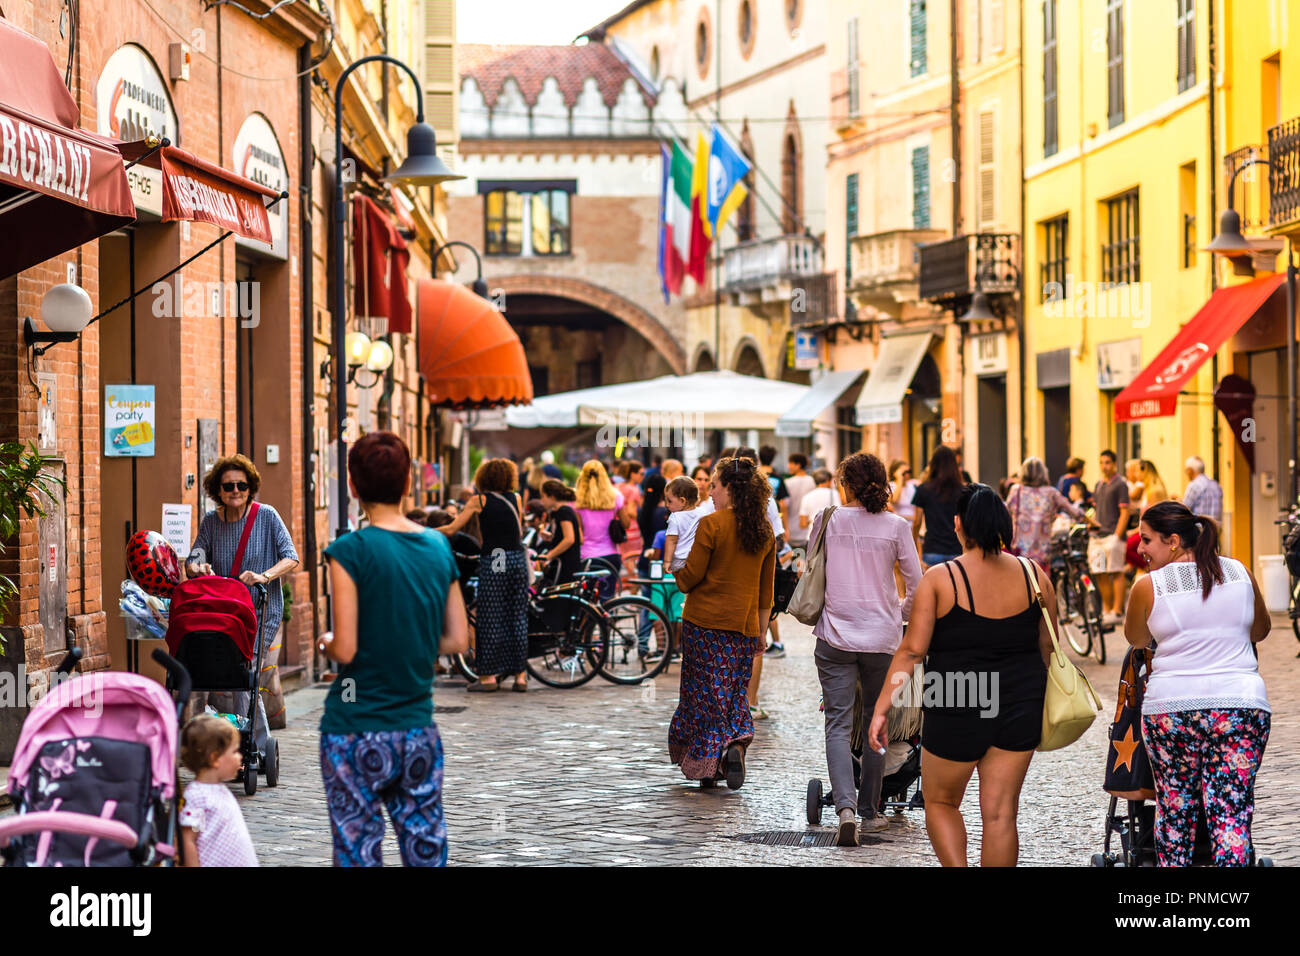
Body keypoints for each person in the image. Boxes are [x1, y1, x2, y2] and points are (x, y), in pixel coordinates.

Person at [868, 484, 1053, 866]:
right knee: (1001, 814)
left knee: (940, 801)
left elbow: (913, 651)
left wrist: (882, 708)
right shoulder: (1035, 576)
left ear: (958, 524)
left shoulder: (940, 579)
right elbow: (1049, 648)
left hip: (956, 696)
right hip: (1020, 699)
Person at [318, 431, 468, 866]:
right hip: (416, 728)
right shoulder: (439, 546)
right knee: (425, 846)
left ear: (352, 485)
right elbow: (458, 639)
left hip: (353, 727)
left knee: (357, 850)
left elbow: (345, 648)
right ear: (408, 484)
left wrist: (327, 641)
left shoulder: (348, 551)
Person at [1124, 500, 1271, 867]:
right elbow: (1261, 629)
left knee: (1175, 811)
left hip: (1172, 712)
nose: (1139, 549)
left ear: (1173, 541)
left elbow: (1138, 640)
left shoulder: (1148, 586)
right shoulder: (1239, 572)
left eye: (1146, 540)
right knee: (1231, 815)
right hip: (1239, 706)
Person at [813, 454, 923, 846]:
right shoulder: (897, 526)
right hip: (882, 641)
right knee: (878, 721)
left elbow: (814, 570)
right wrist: (898, 613)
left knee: (838, 725)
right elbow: (917, 583)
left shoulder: (828, 520)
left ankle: (844, 808)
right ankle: (869, 810)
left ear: (846, 484)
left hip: (835, 637)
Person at [669, 457, 776, 789]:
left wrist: (676, 569)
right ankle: (732, 744)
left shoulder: (711, 525)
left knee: (703, 694)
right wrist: (759, 630)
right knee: (731, 694)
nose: (710, 492)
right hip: (743, 626)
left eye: (714, 485)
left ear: (729, 488)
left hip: (704, 623)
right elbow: (765, 591)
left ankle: (709, 765)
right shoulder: (764, 530)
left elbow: (690, 578)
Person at [186, 454, 299, 749]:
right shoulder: (211, 522)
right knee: (239, 676)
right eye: (228, 486)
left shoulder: (267, 516)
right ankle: (249, 743)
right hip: (226, 614)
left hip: (261, 611)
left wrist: (265, 575)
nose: (235, 491)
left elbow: (291, 557)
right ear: (217, 491)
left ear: (250, 487)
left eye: (242, 485)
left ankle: (253, 745)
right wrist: (196, 566)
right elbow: (196, 554)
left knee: (245, 674)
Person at [438, 458, 529, 692]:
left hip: (496, 558)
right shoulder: (516, 498)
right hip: (517, 559)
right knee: (516, 616)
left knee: (490, 617)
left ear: (484, 478)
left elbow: (451, 529)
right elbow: (516, 528)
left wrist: (419, 531)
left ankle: (488, 677)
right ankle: (520, 676)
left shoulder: (479, 500)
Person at [178, 715, 258, 866]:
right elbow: (187, 839)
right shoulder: (197, 795)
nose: (240, 757)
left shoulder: (221, 791)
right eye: (235, 751)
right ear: (215, 758)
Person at [1006, 457, 1085, 568]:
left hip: (1020, 552)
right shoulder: (1051, 492)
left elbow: (1006, 512)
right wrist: (1090, 520)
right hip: (1042, 553)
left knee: (1021, 583)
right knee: (1041, 583)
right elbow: (1074, 511)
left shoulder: (1016, 490)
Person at [574, 460, 628, 601]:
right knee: (607, 601)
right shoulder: (615, 496)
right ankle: (607, 621)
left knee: (585, 603)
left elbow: (578, 532)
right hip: (611, 555)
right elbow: (626, 523)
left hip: (586, 557)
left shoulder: (577, 500)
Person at [1089, 450, 1130, 625]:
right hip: (1098, 535)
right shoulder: (1098, 485)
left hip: (1113, 536)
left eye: (1107, 462)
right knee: (1100, 573)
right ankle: (1106, 610)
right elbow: (1096, 509)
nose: (1104, 466)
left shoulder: (1120, 484)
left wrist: (1117, 536)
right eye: (1101, 462)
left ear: (1114, 464)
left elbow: (1125, 512)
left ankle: (1118, 611)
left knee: (1116, 572)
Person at [910, 446, 965, 567]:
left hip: (932, 549)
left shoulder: (923, 489)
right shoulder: (963, 491)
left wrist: (914, 545)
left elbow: (917, 522)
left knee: (935, 585)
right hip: (956, 549)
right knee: (956, 586)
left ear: (933, 464)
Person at [536, 479, 581, 586]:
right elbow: (569, 536)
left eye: (543, 496)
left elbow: (569, 539)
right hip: (564, 564)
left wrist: (549, 556)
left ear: (551, 496)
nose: (541, 500)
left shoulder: (564, 511)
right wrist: (552, 537)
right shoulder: (559, 512)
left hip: (565, 566)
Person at [663, 476, 704, 571]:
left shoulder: (675, 517)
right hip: (696, 559)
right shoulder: (703, 513)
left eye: (669, 501)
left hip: (678, 561)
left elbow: (671, 540)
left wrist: (667, 561)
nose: (667, 505)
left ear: (682, 501)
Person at [784, 454, 816, 548]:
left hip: (791, 530)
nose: (788, 466)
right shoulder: (812, 481)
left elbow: (784, 506)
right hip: (809, 530)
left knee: (796, 560)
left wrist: (785, 528)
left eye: (790, 463)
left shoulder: (787, 483)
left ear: (798, 465)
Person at [1181, 456, 1223, 525]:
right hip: (1215, 530)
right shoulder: (1216, 485)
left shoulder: (1194, 485)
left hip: (1200, 530)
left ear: (1190, 470)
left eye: (1187, 470)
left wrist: (1177, 502)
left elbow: (1185, 509)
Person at [798, 468, 843, 535]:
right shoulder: (834, 493)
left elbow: (803, 524)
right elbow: (839, 515)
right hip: (829, 535)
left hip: (812, 536)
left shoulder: (807, 497)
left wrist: (813, 521)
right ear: (828, 480)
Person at [759, 445, 790, 529]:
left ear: (759, 458)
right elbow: (783, 504)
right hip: (773, 520)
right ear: (773, 459)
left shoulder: (753, 476)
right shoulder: (778, 478)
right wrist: (786, 528)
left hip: (756, 519)